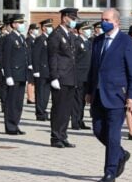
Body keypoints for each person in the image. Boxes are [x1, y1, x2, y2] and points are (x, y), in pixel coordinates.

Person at [86, 8, 132, 182]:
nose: (103, 22)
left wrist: (131, 96)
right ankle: (121, 154)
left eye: (107, 19)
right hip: (98, 94)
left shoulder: (125, 42)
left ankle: (110, 172)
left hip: (118, 96)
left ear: (116, 22)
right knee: (98, 130)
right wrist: (88, 91)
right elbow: (93, 68)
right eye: (102, 19)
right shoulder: (98, 41)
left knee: (113, 134)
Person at [48, 8, 79, 148]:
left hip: (70, 77)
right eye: (72, 18)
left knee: (66, 109)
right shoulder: (56, 35)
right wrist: (54, 76)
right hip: (60, 76)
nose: (74, 21)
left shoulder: (70, 35)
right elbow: (52, 56)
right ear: (64, 17)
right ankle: (55, 137)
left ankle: (63, 135)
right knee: (58, 108)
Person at [3, 14, 29, 135]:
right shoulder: (10, 38)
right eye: (20, 23)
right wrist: (8, 75)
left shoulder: (21, 38)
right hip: (13, 74)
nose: (22, 25)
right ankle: (10, 126)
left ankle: (16, 124)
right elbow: (6, 58)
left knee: (18, 103)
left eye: (23, 22)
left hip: (21, 74)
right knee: (12, 102)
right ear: (14, 24)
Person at [71, 21, 92, 130]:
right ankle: (75, 121)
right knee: (77, 100)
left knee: (83, 100)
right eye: (86, 29)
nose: (89, 31)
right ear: (80, 31)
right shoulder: (76, 42)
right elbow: (73, 61)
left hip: (87, 76)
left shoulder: (88, 42)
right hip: (78, 76)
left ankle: (80, 120)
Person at [32, 19, 53, 121]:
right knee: (40, 93)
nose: (50, 28)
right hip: (41, 70)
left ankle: (44, 110)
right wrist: (36, 70)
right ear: (44, 28)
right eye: (48, 26)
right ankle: (40, 113)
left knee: (46, 94)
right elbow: (36, 55)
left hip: (48, 70)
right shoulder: (40, 39)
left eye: (51, 26)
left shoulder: (50, 39)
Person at [26, 23, 38, 104]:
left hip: (35, 63)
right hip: (31, 64)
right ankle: (30, 97)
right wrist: (29, 63)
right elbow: (28, 52)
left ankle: (32, 96)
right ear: (31, 30)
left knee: (34, 81)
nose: (37, 30)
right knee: (31, 81)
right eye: (35, 29)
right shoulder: (29, 39)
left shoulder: (35, 39)